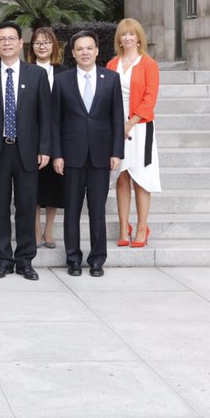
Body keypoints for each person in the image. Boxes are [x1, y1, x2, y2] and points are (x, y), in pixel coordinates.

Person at [0, 22, 52, 281]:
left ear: (20, 43)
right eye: (1, 39)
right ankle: (4, 259)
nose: (6, 43)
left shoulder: (36, 75)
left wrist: (45, 148)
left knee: (27, 206)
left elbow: (45, 117)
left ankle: (25, 260)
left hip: (27, 151)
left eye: (11, 39)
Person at [52, 30, 124, 278]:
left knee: (97, 210)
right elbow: (55, 121)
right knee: (71, 210)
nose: (84, 52)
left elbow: (117, 118)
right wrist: (57, 154)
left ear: (96, 51)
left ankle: (97, 259)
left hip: (101, 156)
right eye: (79, 48)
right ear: (73, 53)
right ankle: (73, 258)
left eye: (89, 48)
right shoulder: (62, 80)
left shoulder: (111, 79)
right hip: (71, 156)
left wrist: (117, 152)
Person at [107, 18, 161, 248]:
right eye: (123, 34)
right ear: (118, 39)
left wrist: (131, 122)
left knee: (140, 179)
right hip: (115, 125)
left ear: (139, 38)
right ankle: (123, 227)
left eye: (131, 34)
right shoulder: (111, 64)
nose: (127, 38)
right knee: (121, 177)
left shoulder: (148, 64)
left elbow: (150, 97)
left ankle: (141, 227)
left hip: (140, 127)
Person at [27, 26, 69, 248]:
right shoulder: (26, 70)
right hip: (32, 136)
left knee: (54, 184)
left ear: (54, 45)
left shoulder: (63, 72)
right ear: (32, 47)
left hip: (57, 135)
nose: (42, 46)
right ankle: (34, 230)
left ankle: (49, 230)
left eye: (46, 42)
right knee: (34, 184)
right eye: (37, 42)